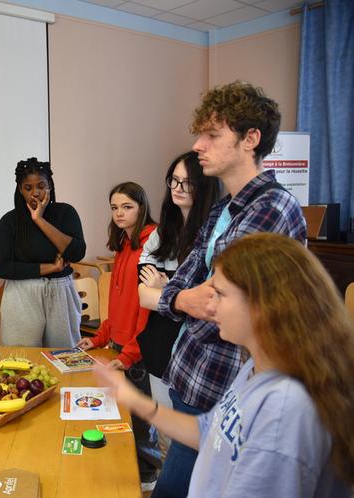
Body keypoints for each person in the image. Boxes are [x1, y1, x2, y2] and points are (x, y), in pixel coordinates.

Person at [96, 233, 354, 498]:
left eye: (219, 293)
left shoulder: (284, 410)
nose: (208, 304)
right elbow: (210, 431)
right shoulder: (256, 367)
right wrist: (132, 399)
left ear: (263, 305)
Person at [153, 81, 307, 497]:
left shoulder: (274, 209)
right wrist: (179, 297)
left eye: (213, 135)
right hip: (190, 371)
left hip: (222, 383)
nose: (198, 144)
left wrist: (171, 298)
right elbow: (187, 284)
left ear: (250, 139)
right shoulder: (224, 207)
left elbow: (214, 303)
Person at [75, 181, 159, 489]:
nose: (119, 213)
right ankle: (136, 464)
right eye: (114, 207)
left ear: (141, 207)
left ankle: (149, 473)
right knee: (123, 411)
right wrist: (99, 337)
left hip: (136, 348)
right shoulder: (123, 245)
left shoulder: (150, 246)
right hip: (120, 343)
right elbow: (118, 303)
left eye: (127, 207)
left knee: (139, 412)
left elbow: (146, 312)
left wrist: (128, 353)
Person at [136, 151, 220, 445]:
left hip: (197, 351)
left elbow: (207, 299)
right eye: (174, 180)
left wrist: (166, 286)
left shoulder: (214, 233)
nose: (177, 188)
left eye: (187, 182)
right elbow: (144, 295)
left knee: (191, 443)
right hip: (160, 344)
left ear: (205, 185)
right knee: (164, 436)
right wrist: (175, 293)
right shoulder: (161, 233)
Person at [0, 157, 86, 348]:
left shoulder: (66, 213)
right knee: (22, 359)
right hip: (22, 295)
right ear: (20, 189)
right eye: (28, 188)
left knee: (64, 356)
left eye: (41, 186)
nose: (35, 193)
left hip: (61, 292)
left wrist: (39, 220)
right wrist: (51, 268)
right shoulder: (9, 222)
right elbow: (4, 268)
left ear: (50, 186)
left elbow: (77, 252)